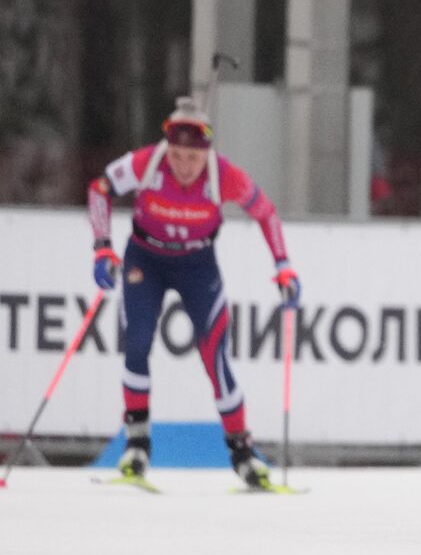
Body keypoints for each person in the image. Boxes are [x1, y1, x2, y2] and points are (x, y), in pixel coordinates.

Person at [86, 96, 301, 490]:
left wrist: (283, 265)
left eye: (193, 159)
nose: (184, 167)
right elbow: (100, 189)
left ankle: (242, 453)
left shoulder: (225, 175)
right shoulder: (147, 162)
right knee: (137, 342)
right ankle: (136, 446)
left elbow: (266, 213)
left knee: (215, 356)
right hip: (144, 261)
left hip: (197, 267)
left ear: (207, 154)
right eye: (178, 156)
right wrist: (102, 246)